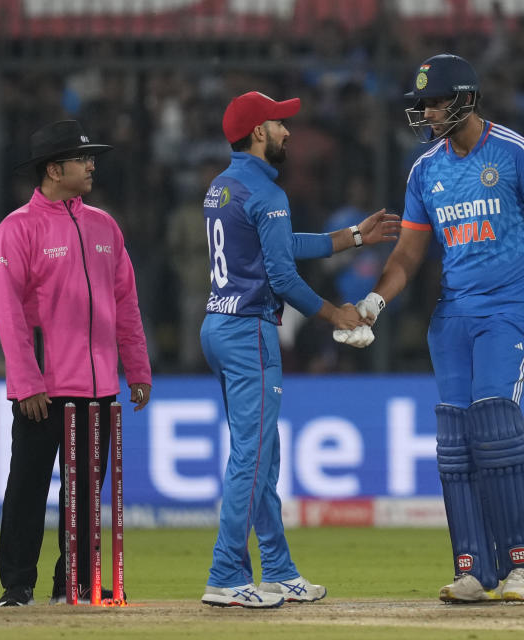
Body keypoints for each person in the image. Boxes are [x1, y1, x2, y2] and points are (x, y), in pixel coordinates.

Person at [334, 54, 524, 603]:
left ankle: (523, 563)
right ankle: (474, 567)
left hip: (511, 313)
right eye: (422, 103)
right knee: (456, 443)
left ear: (467, 99)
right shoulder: (426, 169)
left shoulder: (516, 153)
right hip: (452, 319)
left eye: (436, 101)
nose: (426, 111)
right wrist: (376, 301)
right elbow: (408, 252)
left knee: (495, 423)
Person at [199, 91, 400, 608]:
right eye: (280, 123)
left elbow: (280, 244)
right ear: (258, 133)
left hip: (220, 325)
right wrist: (337, 314)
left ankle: (279, 569)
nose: (289, 131)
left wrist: (353, 236)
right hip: (249, 333)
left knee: (262, 458)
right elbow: (282, 273)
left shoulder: (225, 186)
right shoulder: (266, 194)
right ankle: (225, 574)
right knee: (252, 459)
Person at [0, 120, 152, 607]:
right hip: (43, 387)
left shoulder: (105, 226)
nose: (92, 165)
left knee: (83, 496)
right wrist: (26, 380)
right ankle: (17, 586)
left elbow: (126, 304)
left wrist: (137, 369)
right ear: (54, 170)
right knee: (28, 489)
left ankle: (75, 584)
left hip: (99, 387)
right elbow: (8, 312)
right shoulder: (16, 229)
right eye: (83, 159)